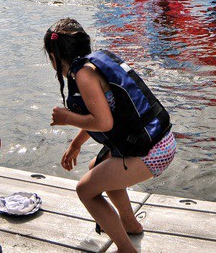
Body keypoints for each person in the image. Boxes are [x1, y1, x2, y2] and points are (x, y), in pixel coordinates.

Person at [45, 19, 176, 253]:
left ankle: (126, 249)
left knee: (85, 190)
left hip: (151, 151)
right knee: (97, 167)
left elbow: (103, 122)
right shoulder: (94, 65)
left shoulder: (83, 76)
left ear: (53, 57)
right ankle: (130, 224)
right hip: (159, 140)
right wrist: (76, 145)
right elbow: (104, 113)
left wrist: (67, 118)